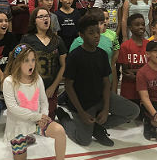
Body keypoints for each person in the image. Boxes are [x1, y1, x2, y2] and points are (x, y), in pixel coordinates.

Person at [56, 14, 139, 147]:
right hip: (82, 104)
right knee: (84, 140)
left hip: (100, 98)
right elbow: (68, 86)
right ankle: (64, 118)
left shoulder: (101, 54)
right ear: (81, 35)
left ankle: (97, 126)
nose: (96, 35)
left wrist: (106, 109)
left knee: (133, 111)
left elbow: (106, 82)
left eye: (97, 32)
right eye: (91, 33)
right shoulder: (75, 56)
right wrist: (82, 113)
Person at [2, 44, 76, 160]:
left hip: (37, 120)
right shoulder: (9, 82)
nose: (31, 64)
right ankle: (25, 137)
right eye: (26, 61)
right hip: (18, 125)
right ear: (17, 62)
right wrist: (38, 116)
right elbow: (12, 108)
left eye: (33, 60)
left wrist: (43, 116)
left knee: (59, 131)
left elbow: (44, 101)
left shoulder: (37, 79)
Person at [21, 7, 67, 119]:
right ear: (34, 21)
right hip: (32, 86)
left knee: (47, 117)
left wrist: (54, 86)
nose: (45, 19)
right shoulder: (27, 39)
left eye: (47, 16)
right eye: (41, 17)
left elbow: (63, 65)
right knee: (32, 118)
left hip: (50, 86)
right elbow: (19, 62)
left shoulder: (57, 40)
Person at [118, 14, 148, 104]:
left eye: (143, 24)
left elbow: (151, 69)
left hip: (146, 90)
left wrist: (135, 72)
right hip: (129, 91)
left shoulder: (149, 45)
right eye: (137, 25)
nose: (141, 27)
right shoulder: (125, 46)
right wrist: (143, 72)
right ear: (130, 28)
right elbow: (126, 71)